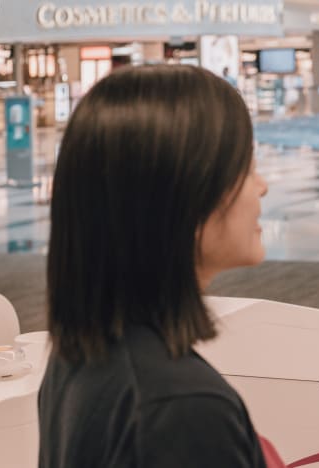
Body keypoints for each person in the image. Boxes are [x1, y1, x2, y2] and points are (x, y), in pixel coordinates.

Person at [39, 65, 277, 468]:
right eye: (247, 167)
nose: (262, 186)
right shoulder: (181, 409)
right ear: (185, 194)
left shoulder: (80, 355)